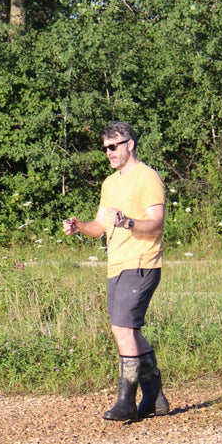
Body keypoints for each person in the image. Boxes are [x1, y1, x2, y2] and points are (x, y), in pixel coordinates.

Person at [62, 122, 169, 421]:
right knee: (130, 330)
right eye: (105, 147)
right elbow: (100, 227)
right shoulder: (109, 183)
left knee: (122, 329)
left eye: (114, 146)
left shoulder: (147, 178)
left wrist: (128, 223)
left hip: (143, 262)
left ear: (130, 145)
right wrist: (80, 226)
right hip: (117, 265)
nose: (108, 152)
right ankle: (155, 395)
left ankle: (126, 401)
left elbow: (156, 222)